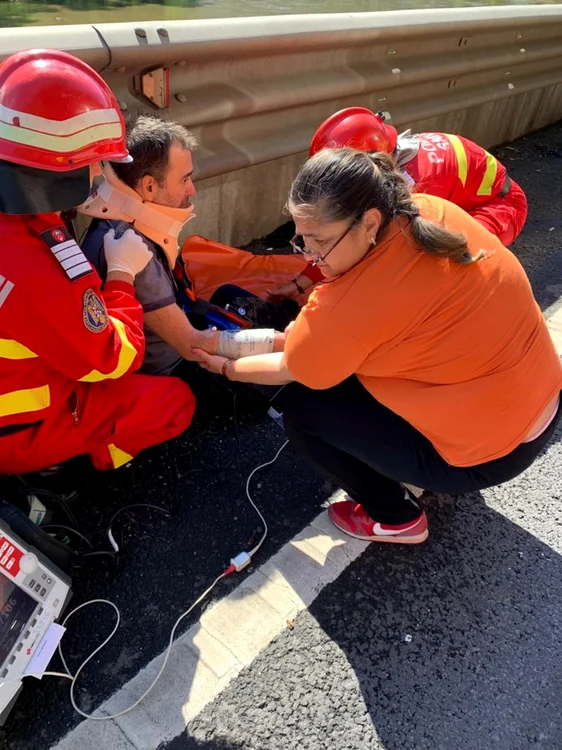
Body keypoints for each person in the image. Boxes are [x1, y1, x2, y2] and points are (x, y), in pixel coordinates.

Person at [194, 148, 562, 544]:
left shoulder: (351, 303)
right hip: (541, 402)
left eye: (319, 241)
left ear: (368, 221)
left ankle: (396, 518)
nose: (311, 256)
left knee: (302, 410)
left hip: (491, 455)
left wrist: (224, 366)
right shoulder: (428, 210)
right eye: (301, 239)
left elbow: (292, 366)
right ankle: (417, 461)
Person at [0, 49, 196, 475]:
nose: (101, 175)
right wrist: (122, 276)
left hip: (16, 382)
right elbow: (111, 359)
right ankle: (88, 462)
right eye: (95, 163)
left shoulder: (17, 227)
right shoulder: (39, 261)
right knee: (175, 402)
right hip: (18, 427)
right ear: (62, 168)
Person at [80, 116, 290, 375]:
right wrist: (289, 344)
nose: (192, 190)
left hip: (172, 343)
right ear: (149, 186)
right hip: (173, 370)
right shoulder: (128, 245)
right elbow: (192, 345)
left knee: (228, 293)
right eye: (184, 179)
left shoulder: (119, 226)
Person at [269, 107, 528, 301]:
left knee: (431, 271)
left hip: (499, 207)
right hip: (470, 195)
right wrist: (301, 284)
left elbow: (370, 249)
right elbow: (339, 241)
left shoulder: (418, 188)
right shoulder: (386, 155)